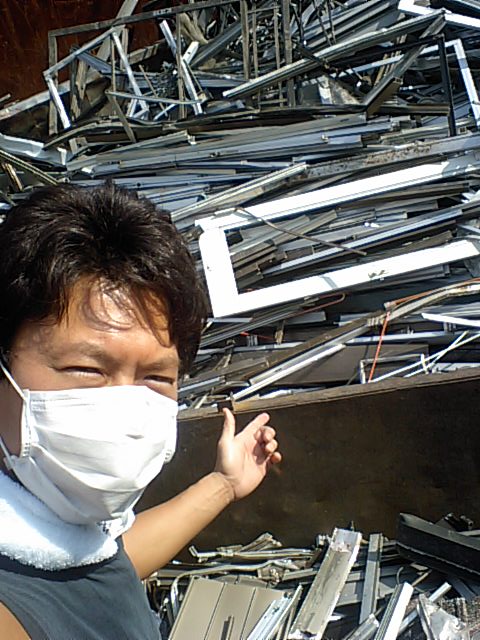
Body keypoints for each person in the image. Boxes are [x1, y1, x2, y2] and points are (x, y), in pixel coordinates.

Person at [0, 183, 281, 639]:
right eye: (86, 369)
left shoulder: (49, 528)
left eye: (156, 377)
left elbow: (103, 566)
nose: (125, 407)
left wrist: (223, 484)